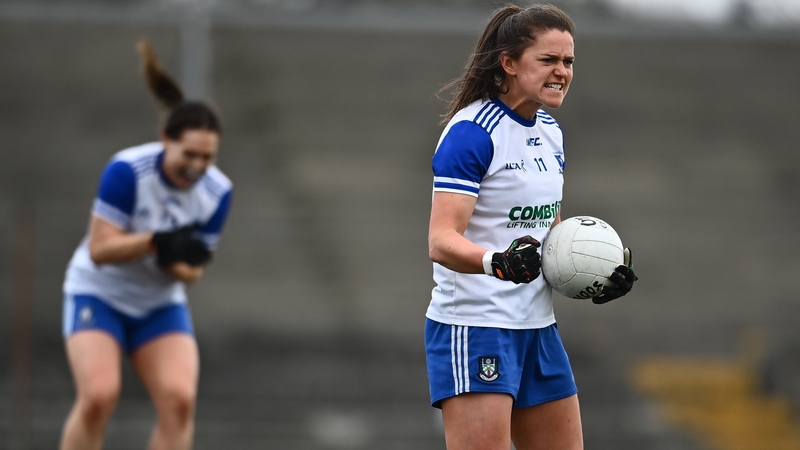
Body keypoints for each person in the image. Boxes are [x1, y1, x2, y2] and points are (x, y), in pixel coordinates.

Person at [425, 4, 637, 449]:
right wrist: (495, 262)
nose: (562, 72)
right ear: (509, 63)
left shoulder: (550, 131)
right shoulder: (472, 132)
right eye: (548, 60)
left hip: (538, 328)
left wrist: (593, 275)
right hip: (476, 327)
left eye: (568, 61)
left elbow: (548, 232)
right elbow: (441, 241)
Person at [59, 40, 232, 450]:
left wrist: (177, 257)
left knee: (179, 401)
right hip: (99, 294)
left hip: (158, 304)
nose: (197, 166)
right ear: (164, 140)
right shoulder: (128, 171)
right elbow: (101, 249)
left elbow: (191, 273)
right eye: (188, 154)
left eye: (207, 158)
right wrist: (157, 242)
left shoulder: (218, 191)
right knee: (99, 397)